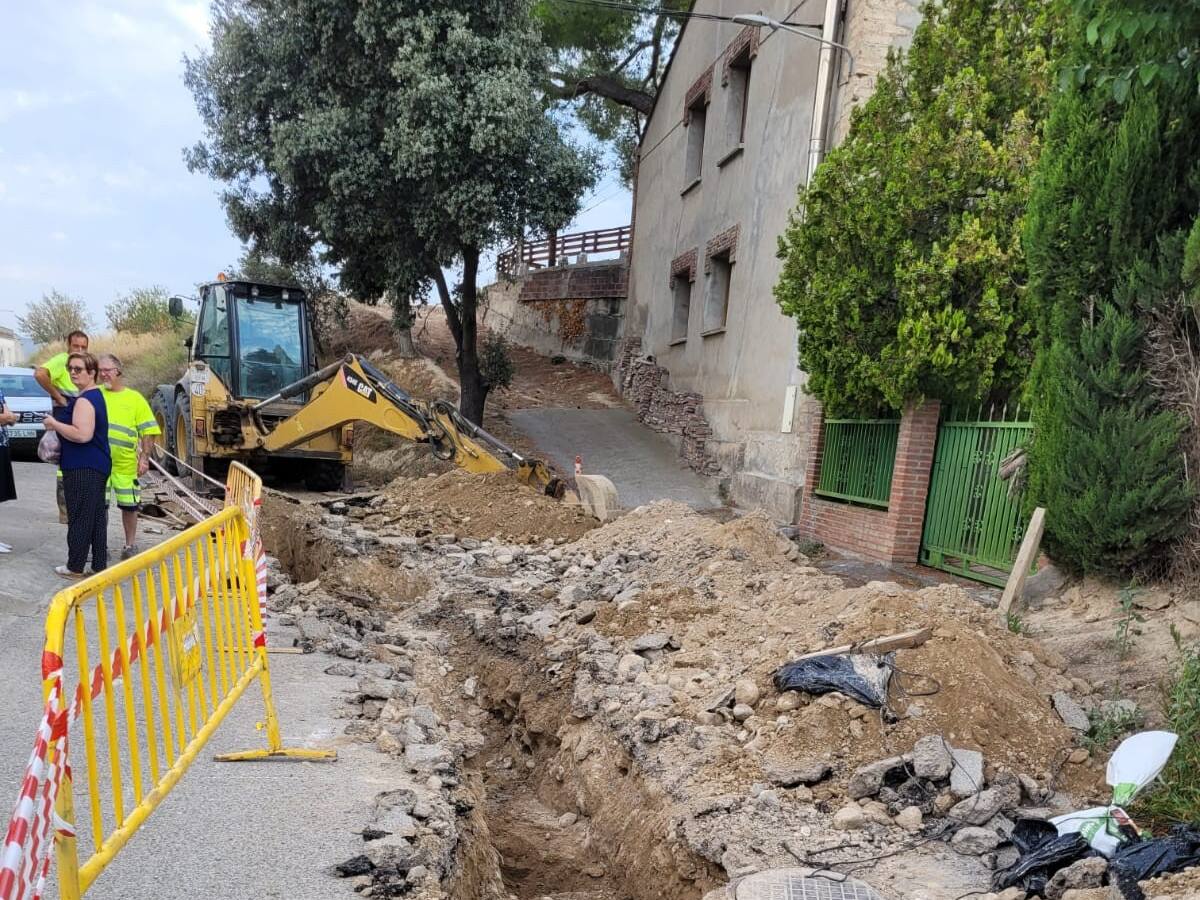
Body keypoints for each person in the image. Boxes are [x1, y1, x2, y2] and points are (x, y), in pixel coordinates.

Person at [42, 352, 110, 579]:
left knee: (81, 516)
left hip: (82, 466)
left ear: (92, 373)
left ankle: (75, 566)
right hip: (96, 464)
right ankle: (98, 564)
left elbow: (82, 434)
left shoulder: (84, 400)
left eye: (78, 369)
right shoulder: (94, 396)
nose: (73, 373)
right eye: (70, 368)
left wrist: (54, 424)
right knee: (96, 517)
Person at [98, 354, 160, 559]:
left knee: (130, 506)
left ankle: (130, 545)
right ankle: (100, 546)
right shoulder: (94, 395)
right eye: (100, 370)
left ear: (119, 371)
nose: (103, 374)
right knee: (99, 507)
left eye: (107, 370)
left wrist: (144, 458)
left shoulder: (134, 399)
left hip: (125, 466)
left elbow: (148, 430)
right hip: (99, 464)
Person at [35, 330, 89, 524]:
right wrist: (58, 396)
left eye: (84, 347)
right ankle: (66, 511)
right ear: (69, 346)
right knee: (65, 466)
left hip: (78, 422)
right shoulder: (62, 361)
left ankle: (75, 509)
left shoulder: (85, 365)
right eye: (76, 346)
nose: (80, 350)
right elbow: (40, 374)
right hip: (65, 422)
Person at [0, 387, 16, 552]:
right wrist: (6, 417)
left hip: (2, 443)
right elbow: (6, 416)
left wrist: (7, 417)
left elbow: (10, 416)